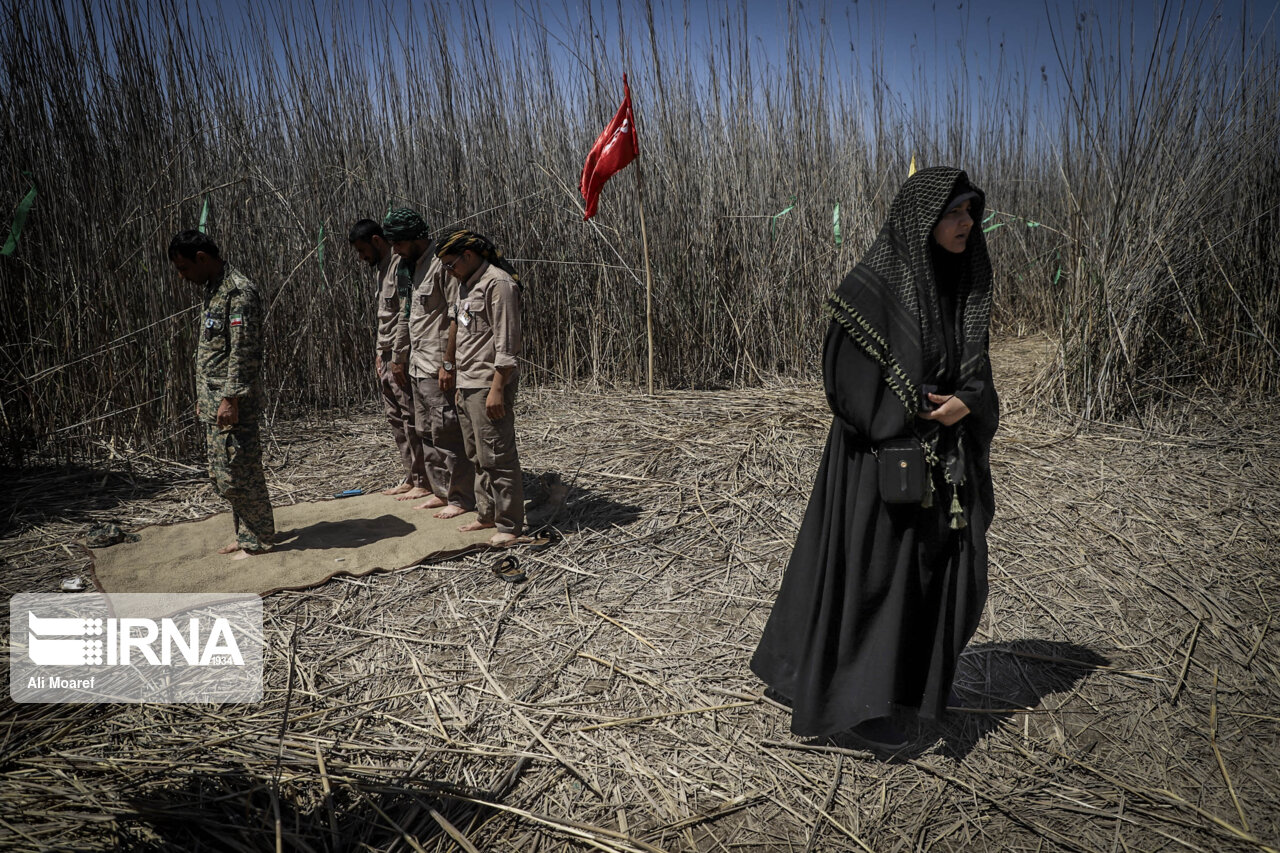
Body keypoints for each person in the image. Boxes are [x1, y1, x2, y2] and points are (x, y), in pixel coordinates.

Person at [750, 167, 999, 751]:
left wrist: (968, 403)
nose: (967, 224)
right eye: (955, 212)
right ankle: (858, 703)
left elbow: (975, 374)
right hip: (878, 461)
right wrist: (910, 415)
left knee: (927, 575)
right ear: (923, 219)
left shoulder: (964, 281)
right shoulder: (872, 286)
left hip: (942, 458)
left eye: (971, 212)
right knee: (874, 577)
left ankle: (902, 685)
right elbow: (845, 387)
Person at [168, 230, 276, 559]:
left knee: (239, 469)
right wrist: (205, 395)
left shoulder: (238, 291)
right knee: (223, 472)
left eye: (184, 268)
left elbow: (243, 351)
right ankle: (247, 532)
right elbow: (215, 351)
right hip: (215, 397)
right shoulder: (213, 288)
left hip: (233, 401)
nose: (181, 276)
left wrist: (231, 398)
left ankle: (258, 537)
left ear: (201, 259)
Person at [434, 230, 524, 546]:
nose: (448, 270)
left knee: (498, 456)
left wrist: (497, 388)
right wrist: (452, 371)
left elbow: (507, 343)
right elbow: (461, 329)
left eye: (450, 264)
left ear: (468, 256)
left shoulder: (498, 284)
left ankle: (510, 525)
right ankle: (487, 514)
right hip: (467, 383)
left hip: (488, 384)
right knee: (477, 455)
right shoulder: (466, 285)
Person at [388, 209, 476, 519]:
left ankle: (462, 496)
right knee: (426, 431)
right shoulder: (409, 268)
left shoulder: (441, 266)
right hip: (417, 364)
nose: (395, 250)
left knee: (447, 432)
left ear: (415, 239)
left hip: (438, 364)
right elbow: (407, 314)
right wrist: (398, 357)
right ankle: (440, 491)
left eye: (398, 243)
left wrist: (450, 363)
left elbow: (458, 314)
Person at [348, 217, 430, 501]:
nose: (361, 258)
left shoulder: (400, 267)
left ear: (376, 241)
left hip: (401, 355)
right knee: (396, 420)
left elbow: (404, 316)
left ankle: (424, 480)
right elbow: (384, 317)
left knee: (411, 418)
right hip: (385, 354)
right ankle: (411, 476)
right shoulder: (381, 271)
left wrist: (398, 357)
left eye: (362, 251)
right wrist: (378, 354)